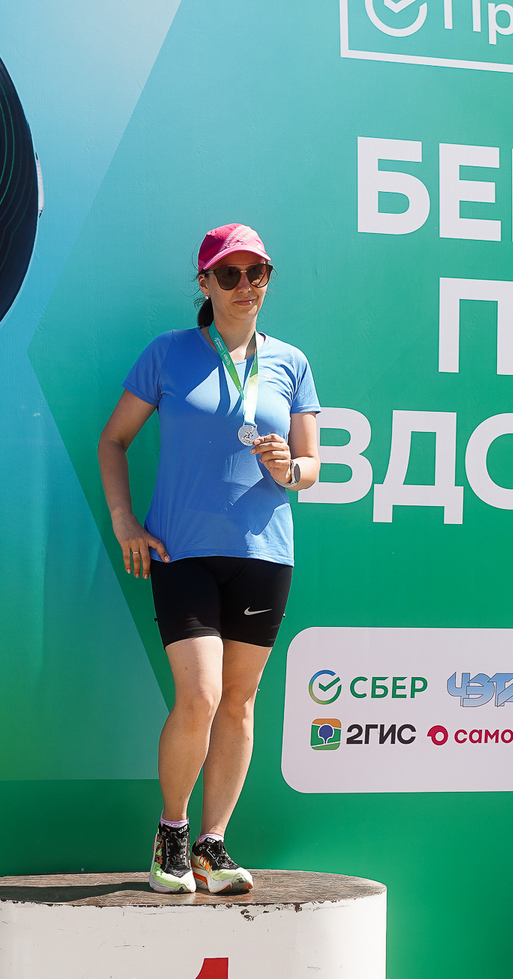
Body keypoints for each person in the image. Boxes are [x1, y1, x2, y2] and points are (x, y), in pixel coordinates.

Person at [96, 225, 322, 895]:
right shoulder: (168, 353)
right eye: (230, 274)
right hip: (182, 551)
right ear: (205, 283)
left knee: (240, 705)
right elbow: (113, 441)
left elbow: (312, 467)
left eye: (257, 273)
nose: (245, 286)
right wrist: (124, 520)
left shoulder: (292, 363)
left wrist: (290, 467)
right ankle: (171, 832)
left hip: (263, 554)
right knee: (200, 695)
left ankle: (212, 845)